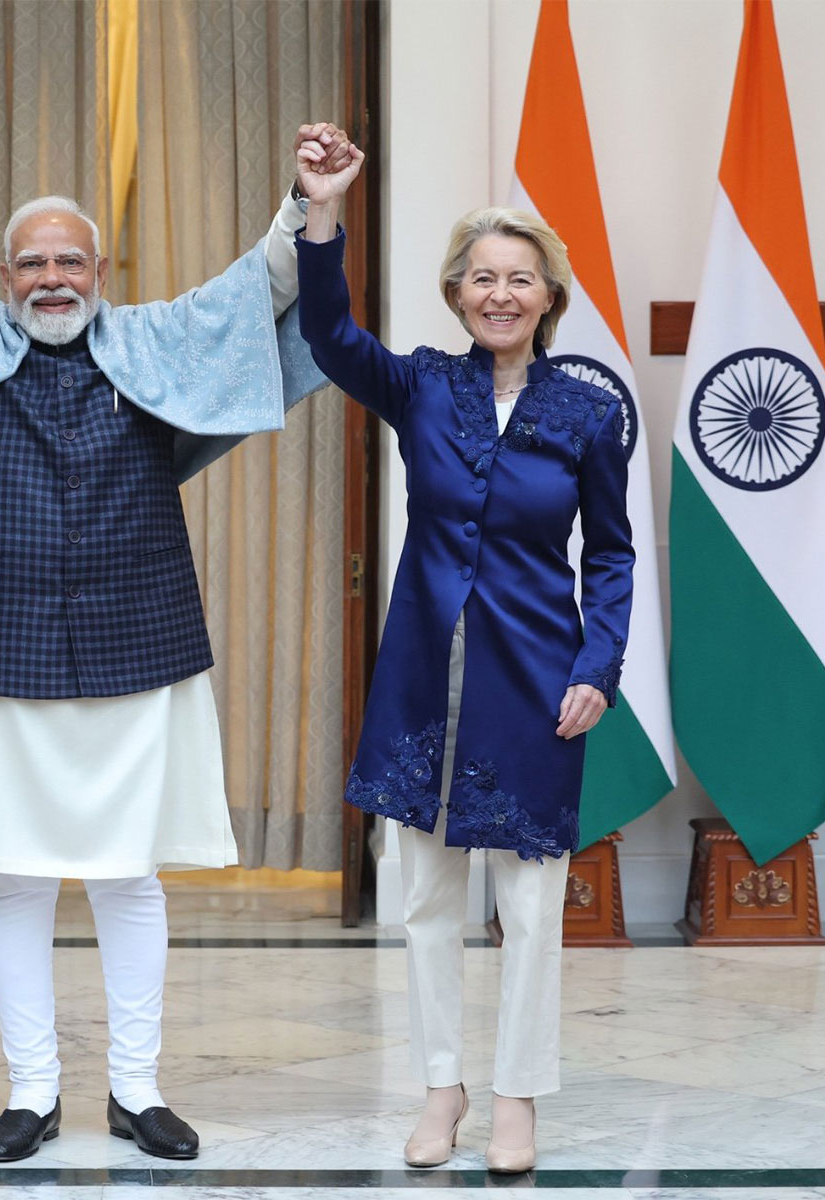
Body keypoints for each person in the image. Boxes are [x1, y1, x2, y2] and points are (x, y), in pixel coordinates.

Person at [0, 93, 347, 1162]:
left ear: (101, 275)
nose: (52, 280)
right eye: (31, 265)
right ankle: (29, 1094)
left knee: (128, 873)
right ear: (4, 273)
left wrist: (308, 200)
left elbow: (260, 292)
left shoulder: (156, 340)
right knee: (13, 876)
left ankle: (135, 1090)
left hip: (137, 648)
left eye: (71, 263)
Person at [294, 144, 633, 1173]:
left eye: (518, 277)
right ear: (454, 292)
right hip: (418, 686)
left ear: (549, 296)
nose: (500, 292)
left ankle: (518, 1095)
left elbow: (612, 555)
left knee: (531, 910)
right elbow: (324, 333)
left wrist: (597, 666)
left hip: (536, 686)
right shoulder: (421, 388)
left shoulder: (587, 411)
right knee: (428, 902)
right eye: (481, 276)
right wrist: (321, 213)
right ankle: (441, 1089)